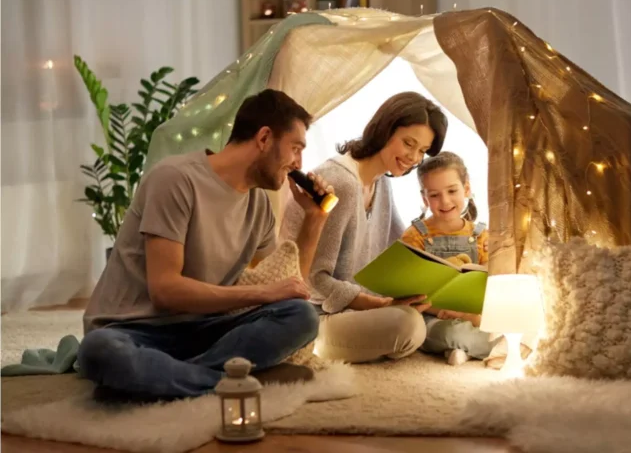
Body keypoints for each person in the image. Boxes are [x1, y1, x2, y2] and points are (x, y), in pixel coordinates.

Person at [77, 89, 333, 400]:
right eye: (295, 148)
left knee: (301, 315)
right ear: (264, 138)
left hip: (204, 331)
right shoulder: (175, 179)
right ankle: (228, 381)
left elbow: (289, 287)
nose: (298, 163)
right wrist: (264, 292)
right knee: (99, 351)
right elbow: (165, 290)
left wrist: (314, 219)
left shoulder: (260, 206)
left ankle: (165, 381)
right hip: (134, 329)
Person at [279, 92, 448, 363]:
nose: (414, 157)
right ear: (385, 130)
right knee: (408, 326)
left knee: (421, 316)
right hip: (314, 317)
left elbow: (402, 247)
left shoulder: (381, 183)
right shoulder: (341, 183)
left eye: (422, 151)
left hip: (357, 310)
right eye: (409, 143)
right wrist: (382, 305)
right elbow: (313, 281)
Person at [400, 151, 498, 366]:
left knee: (502, 327)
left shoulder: (481, 235)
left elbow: (488, 286)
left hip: (473, 317)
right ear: (425, 198)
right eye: (434, 195)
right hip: (432, 318)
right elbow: (411, 292)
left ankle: (461, 349)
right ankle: (466, 346)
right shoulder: (414, 235)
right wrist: (446, 311)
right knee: (445, 332)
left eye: (452, 191)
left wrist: (467, 314)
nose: (444, 201)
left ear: (467, 189)